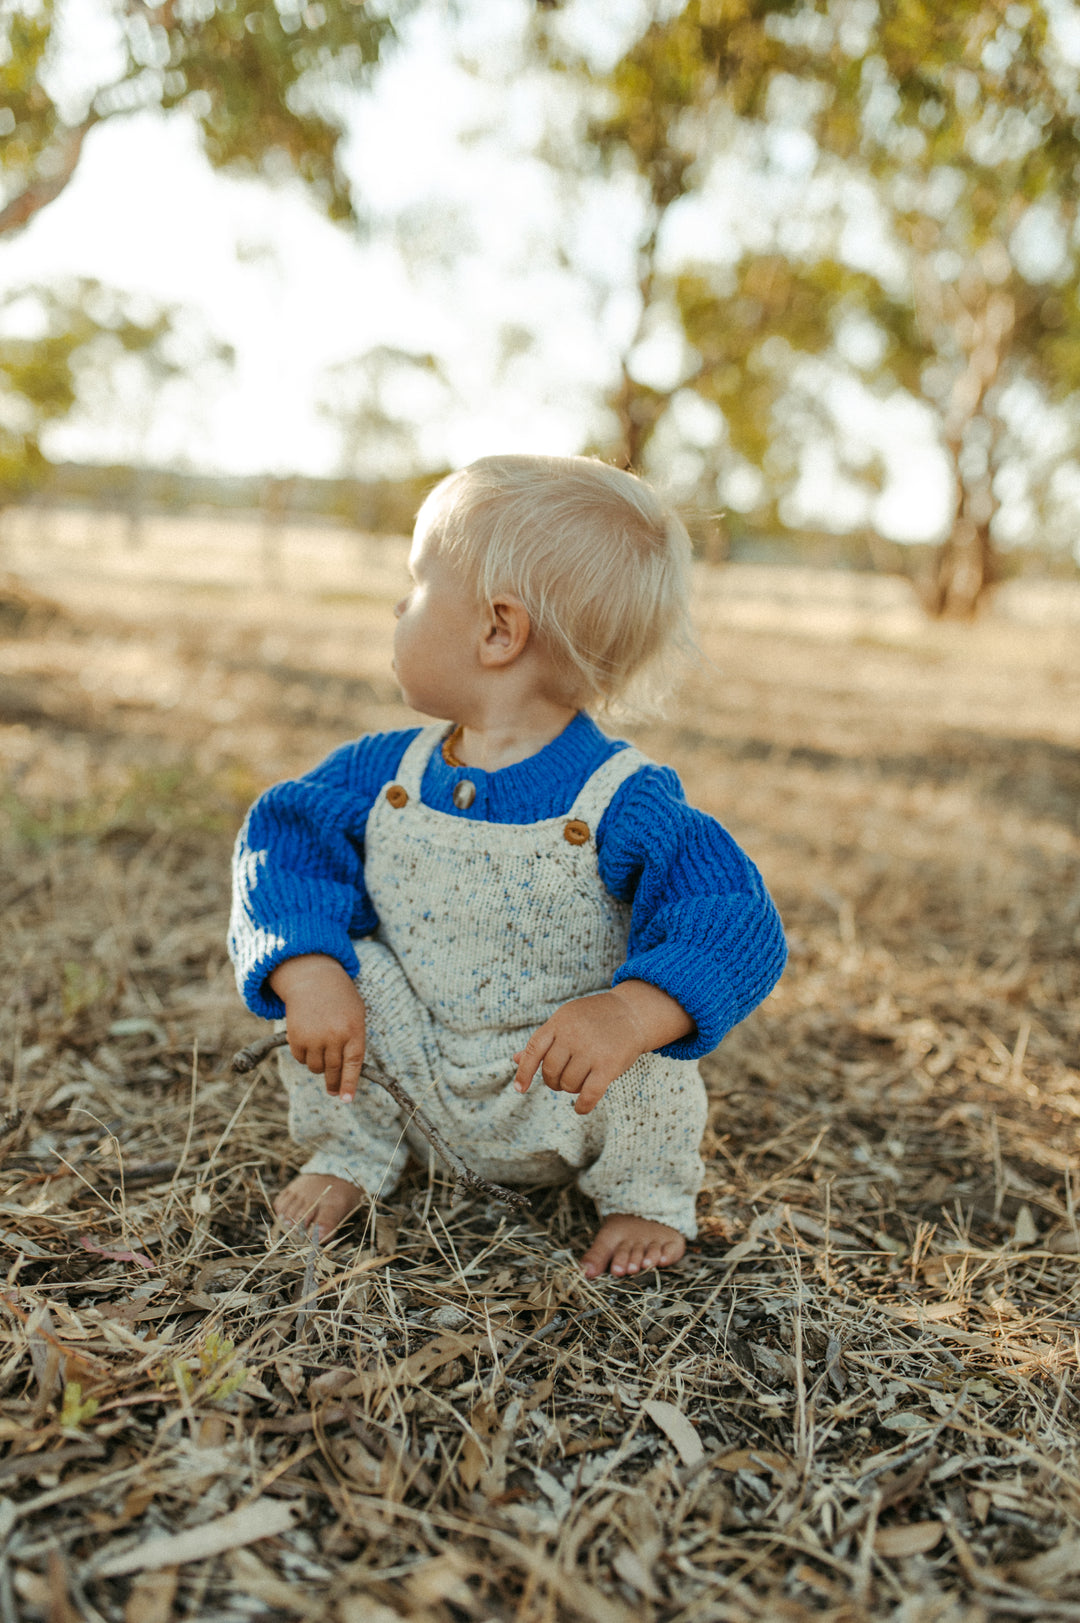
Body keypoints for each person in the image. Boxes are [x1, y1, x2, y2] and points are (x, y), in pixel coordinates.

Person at [229, 454, 786, 1278]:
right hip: (410, 1063)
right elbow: (282, 838)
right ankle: (354, 1150)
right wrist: (308, 967)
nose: (397, 605)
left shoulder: (622, 799)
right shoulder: (381, 771)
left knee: (659, 1056)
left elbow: (735, 918)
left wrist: (630, 1013)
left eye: (417, 585)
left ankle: (639, 1195)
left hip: (560, 1083)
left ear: (499, 629)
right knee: (351, 972)